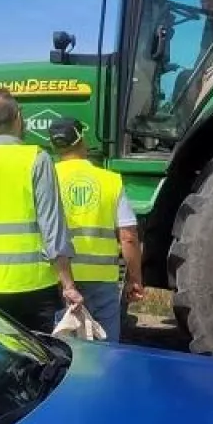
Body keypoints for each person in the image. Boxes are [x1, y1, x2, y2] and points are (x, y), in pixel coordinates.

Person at [0, 89, 83, 331]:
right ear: (19, 117)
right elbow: (52, 226)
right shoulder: (36, 158)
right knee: (41, 361)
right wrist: (68, 284)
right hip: (34, 287)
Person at [49, 116, 144, 342]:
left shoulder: (46, 178)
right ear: (83, 141)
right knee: (106, 350)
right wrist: (135, 278)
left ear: (54, 146)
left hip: (59, 279)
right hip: (102, 280)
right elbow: (128, 237)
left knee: (65, 348)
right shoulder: (109, 180)